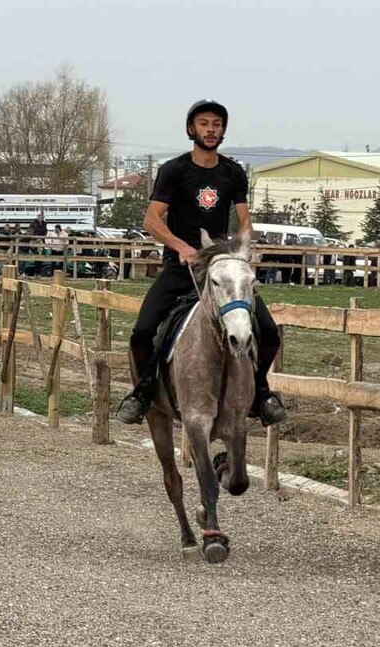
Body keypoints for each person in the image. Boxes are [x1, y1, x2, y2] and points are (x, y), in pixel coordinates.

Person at [115, 100, 286, 427]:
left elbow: (244, 220)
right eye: (204, 124)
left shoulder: (233, 172)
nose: (211, 130)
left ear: (223, 130)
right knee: (142, 331)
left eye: (217, 124)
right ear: (191, 129)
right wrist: (180, 246)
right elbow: (152, 220)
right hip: (181, 270)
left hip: (221, 270)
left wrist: (244, 247)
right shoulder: (174, 171)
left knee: (268, 331)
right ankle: (143, 392)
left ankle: (261, 392)